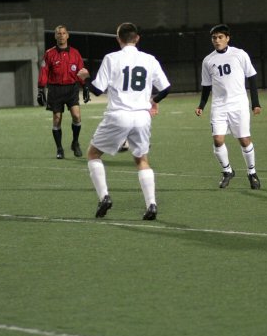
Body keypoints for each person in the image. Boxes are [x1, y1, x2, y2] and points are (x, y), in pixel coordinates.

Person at [79, 22, 170, 220]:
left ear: (118, 38)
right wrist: (153, 101)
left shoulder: (112, 58)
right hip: (142, 116)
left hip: (119, 114)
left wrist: (85, 77)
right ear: (137, 38)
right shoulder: (149, 59)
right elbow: (165, 88)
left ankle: (104, 197)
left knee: (93, 154)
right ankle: (151, 204)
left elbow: (96, 90)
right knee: (141, 160)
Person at [195, 24, 261, 190]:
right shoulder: (208, 60)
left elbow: (252, 77)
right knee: (218, 139)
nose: (217, 41)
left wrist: (256, 103)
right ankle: (227, 171)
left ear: (227, 38)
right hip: (219, 105)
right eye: (214, 38)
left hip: (239, 103)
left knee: (244, 140)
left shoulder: (239, 54)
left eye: (220, 37)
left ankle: (252, 172)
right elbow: (206, 85)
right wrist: (201, 105)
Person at [37, 25, 90, 159]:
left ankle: (75, 142)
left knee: (77, 116)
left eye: (63, 33)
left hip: (71, 88)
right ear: (55, 36)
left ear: (68, 35)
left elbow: (81, 71)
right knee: (57, 119)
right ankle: (59, 149)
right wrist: (40, 89)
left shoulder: (75, 53)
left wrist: (85, 87)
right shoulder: (49, 54)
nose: (61, 35)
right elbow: (44, 72)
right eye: (58, 33)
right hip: (55, 90)